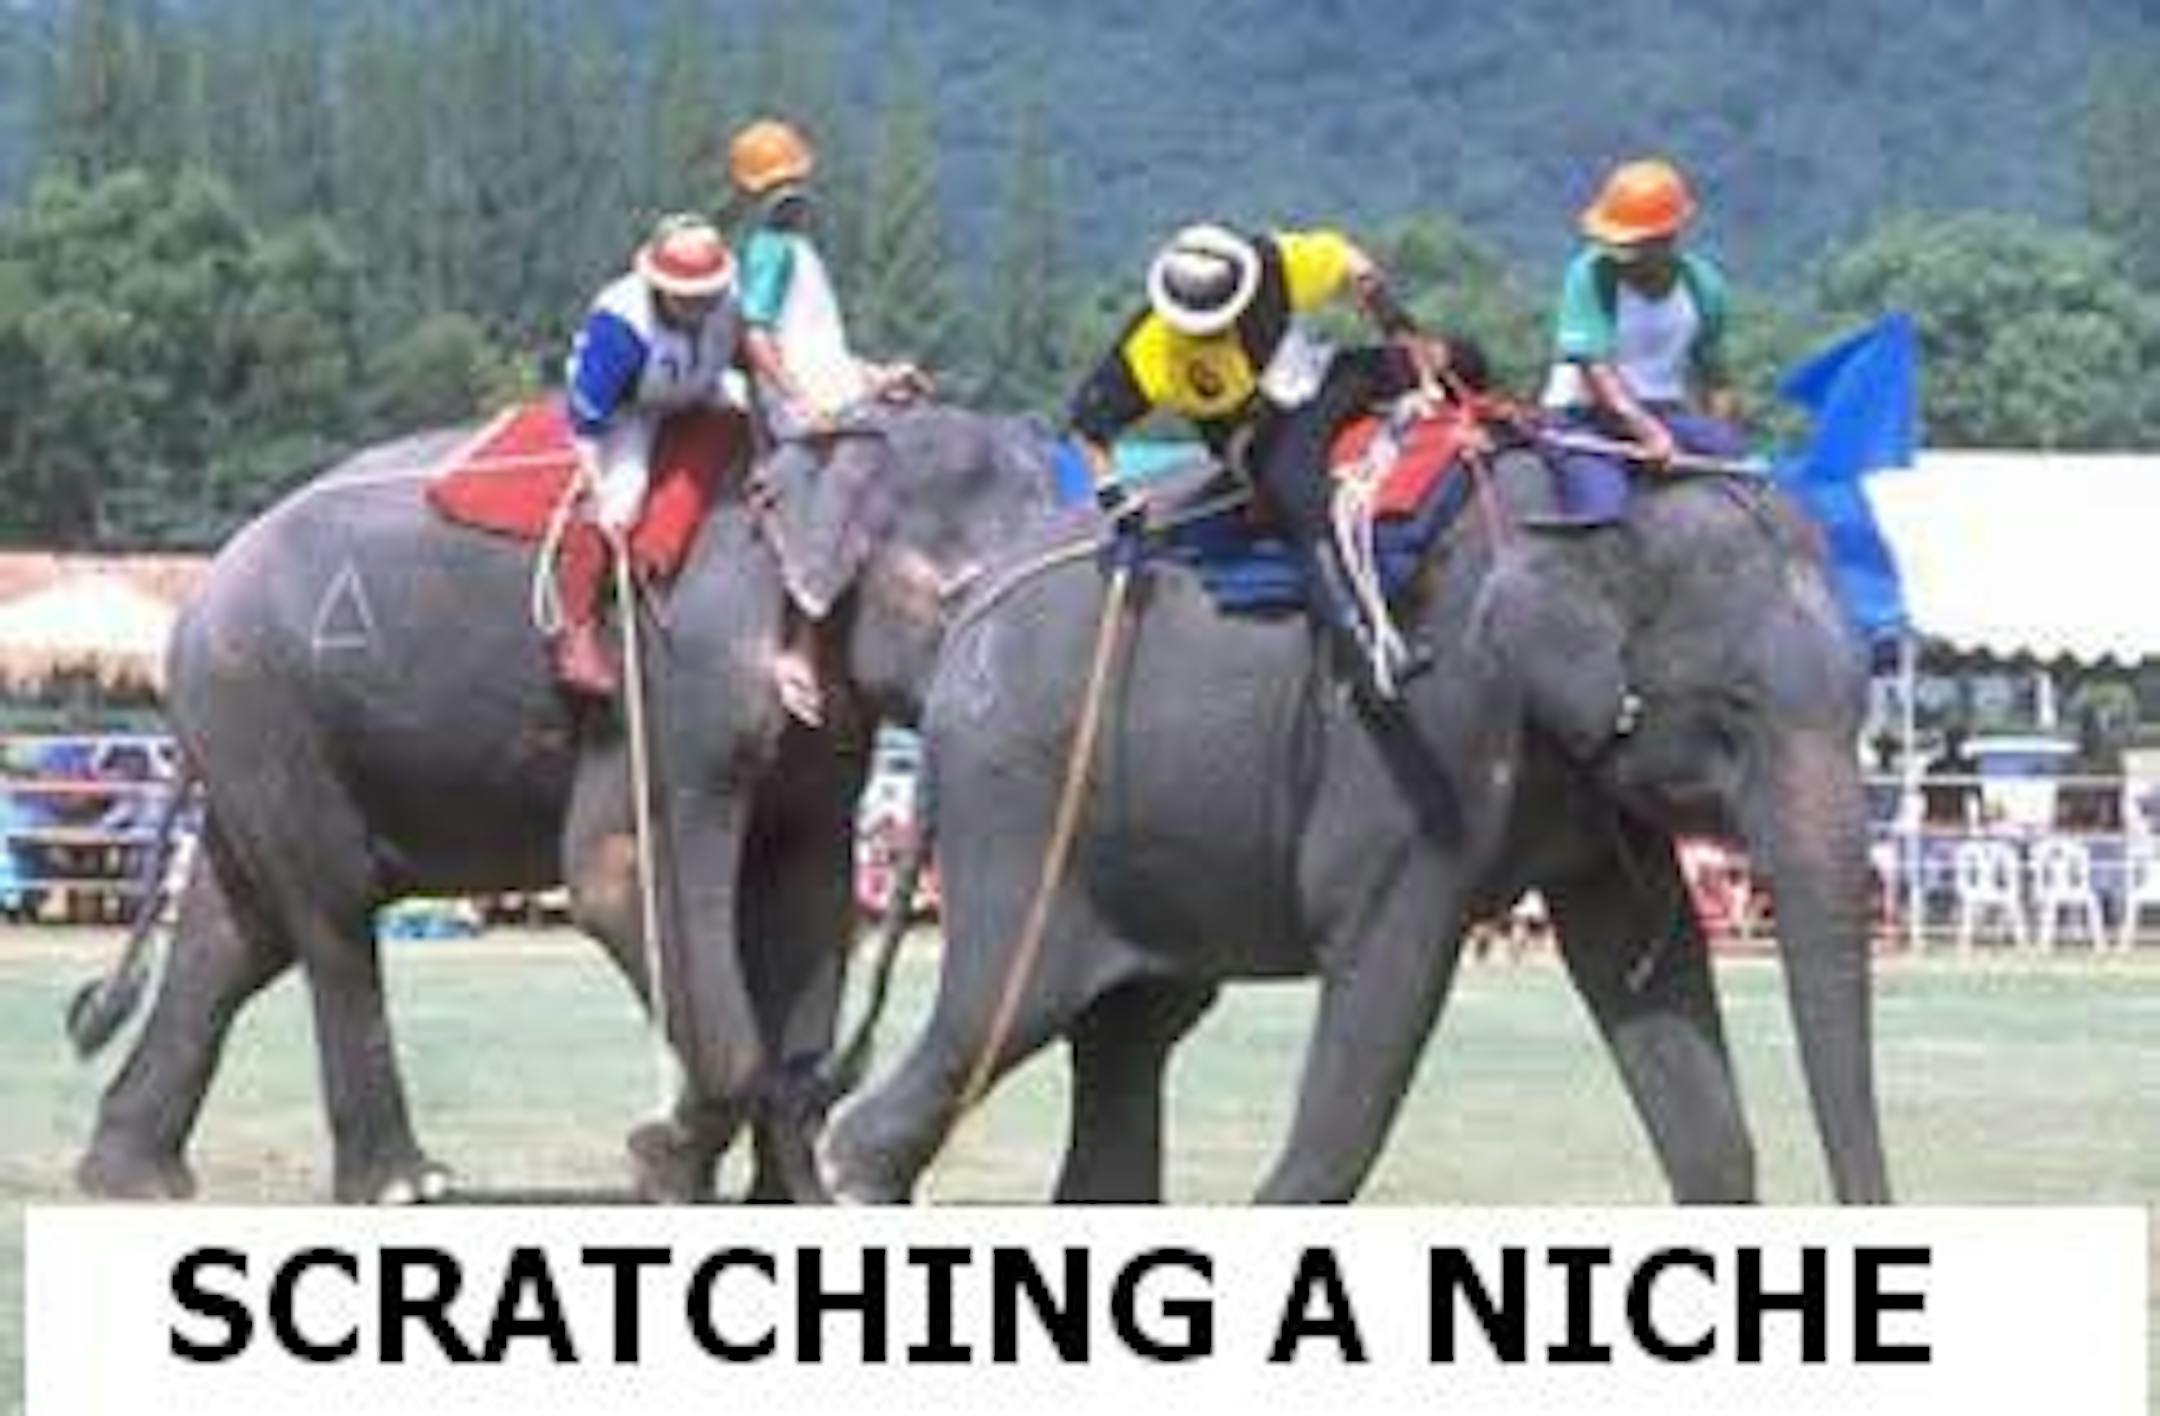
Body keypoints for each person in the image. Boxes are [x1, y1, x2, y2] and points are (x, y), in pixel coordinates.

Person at [1066, 222, 1450, 699]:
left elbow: (1352, 264)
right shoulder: (1147, 347)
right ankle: (1368, 646)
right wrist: (1114, 495)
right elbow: (1088, 426)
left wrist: (1398, 326)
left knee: (1451, 360)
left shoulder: (1271, 265)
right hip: (1257, 433)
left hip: (1320, 381)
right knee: (1301, 499)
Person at [727, 116, 930, 722]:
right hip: (803, 411)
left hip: (831, 394)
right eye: (776, 187)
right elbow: (758, 337)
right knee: (849, 477)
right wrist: (800, 402)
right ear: (755, 196)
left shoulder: (801, 252)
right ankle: (803, 636)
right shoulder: (768, 252)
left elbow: (819, 347)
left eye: (794, 182)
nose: (791, 195)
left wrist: (877, 375)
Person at [560, 212, 746, 696]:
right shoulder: (621, 322)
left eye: (708, 293)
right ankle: (578, 635)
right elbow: (587, 415)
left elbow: (750, 355)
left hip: (702, 389)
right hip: (632, 406)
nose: (701, 304)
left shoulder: (729, 302)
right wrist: (595, 481)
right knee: (619, 504)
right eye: (689, 296)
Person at [1538, 157, 1746, 526]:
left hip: (1667, 412)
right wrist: (1649, 434)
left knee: (1736, 473)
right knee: (1604, 508)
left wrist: (1724, 438)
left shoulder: (1703, 286)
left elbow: (1717, 379)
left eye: (1633, 243)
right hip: (1584, 418)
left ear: (1668, 237)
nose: (1619, 252)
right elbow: (1595, 370)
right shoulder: (1589, 274)